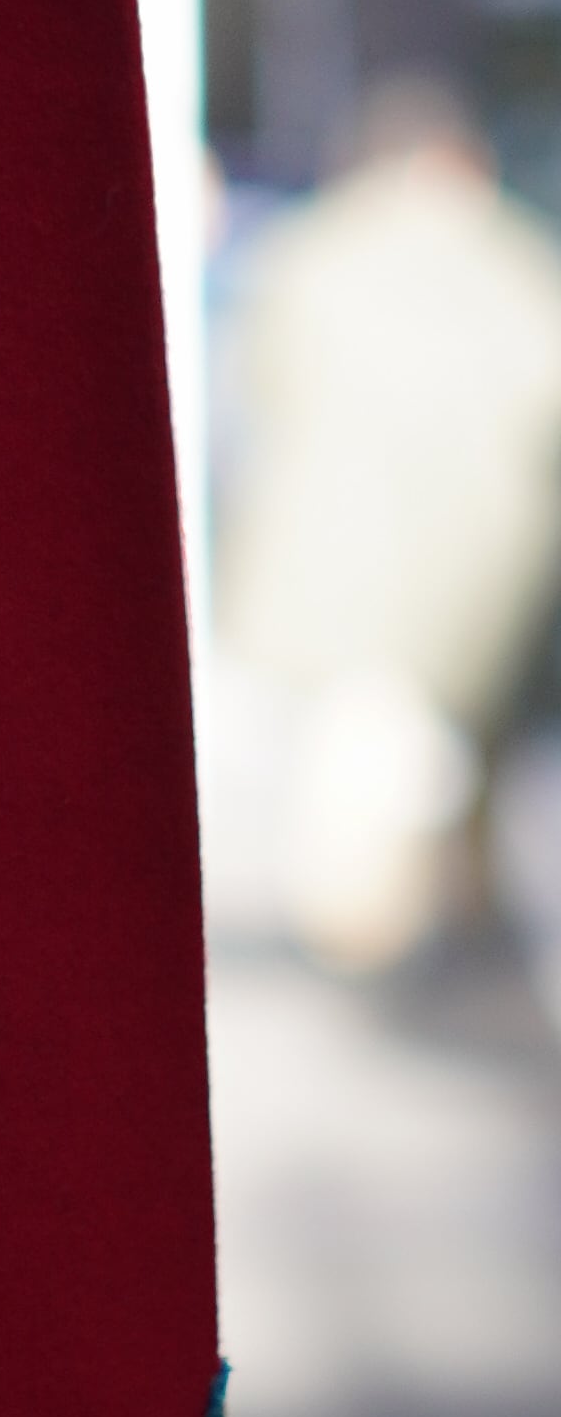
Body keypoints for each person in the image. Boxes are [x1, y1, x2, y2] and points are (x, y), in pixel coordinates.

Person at [216, 77, 561, 968]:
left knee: (363, 765)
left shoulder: (310, 254)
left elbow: (263, 382)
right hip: (480, 561)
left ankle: (384, 938)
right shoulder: (516, 264)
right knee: (422, 756)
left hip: (332, 554)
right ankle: (427, 924)